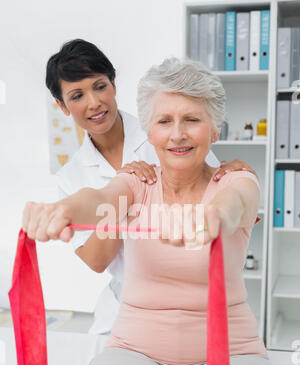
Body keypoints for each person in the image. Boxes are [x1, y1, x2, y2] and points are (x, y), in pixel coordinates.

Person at [23, 57, 278, 365]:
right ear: (149, 130)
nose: (178, 135)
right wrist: (63, 211)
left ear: (215, 128)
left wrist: (215, 216)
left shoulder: (236, 179)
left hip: (230, 355)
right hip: (134, 350)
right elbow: (100, 198)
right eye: (164, 122)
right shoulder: (136, 181)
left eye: (192, 119)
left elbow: (239, 201)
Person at [46, 39, 258, 335]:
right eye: (77, 95)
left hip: (190, 305)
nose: (94, 103)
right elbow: (96, 260)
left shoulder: (167, 132)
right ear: (62, 106)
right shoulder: (71, 176)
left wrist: (237, 181)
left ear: (114, 84)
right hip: (123, 309)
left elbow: (214, 200)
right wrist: (127, 193)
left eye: (99, 86)